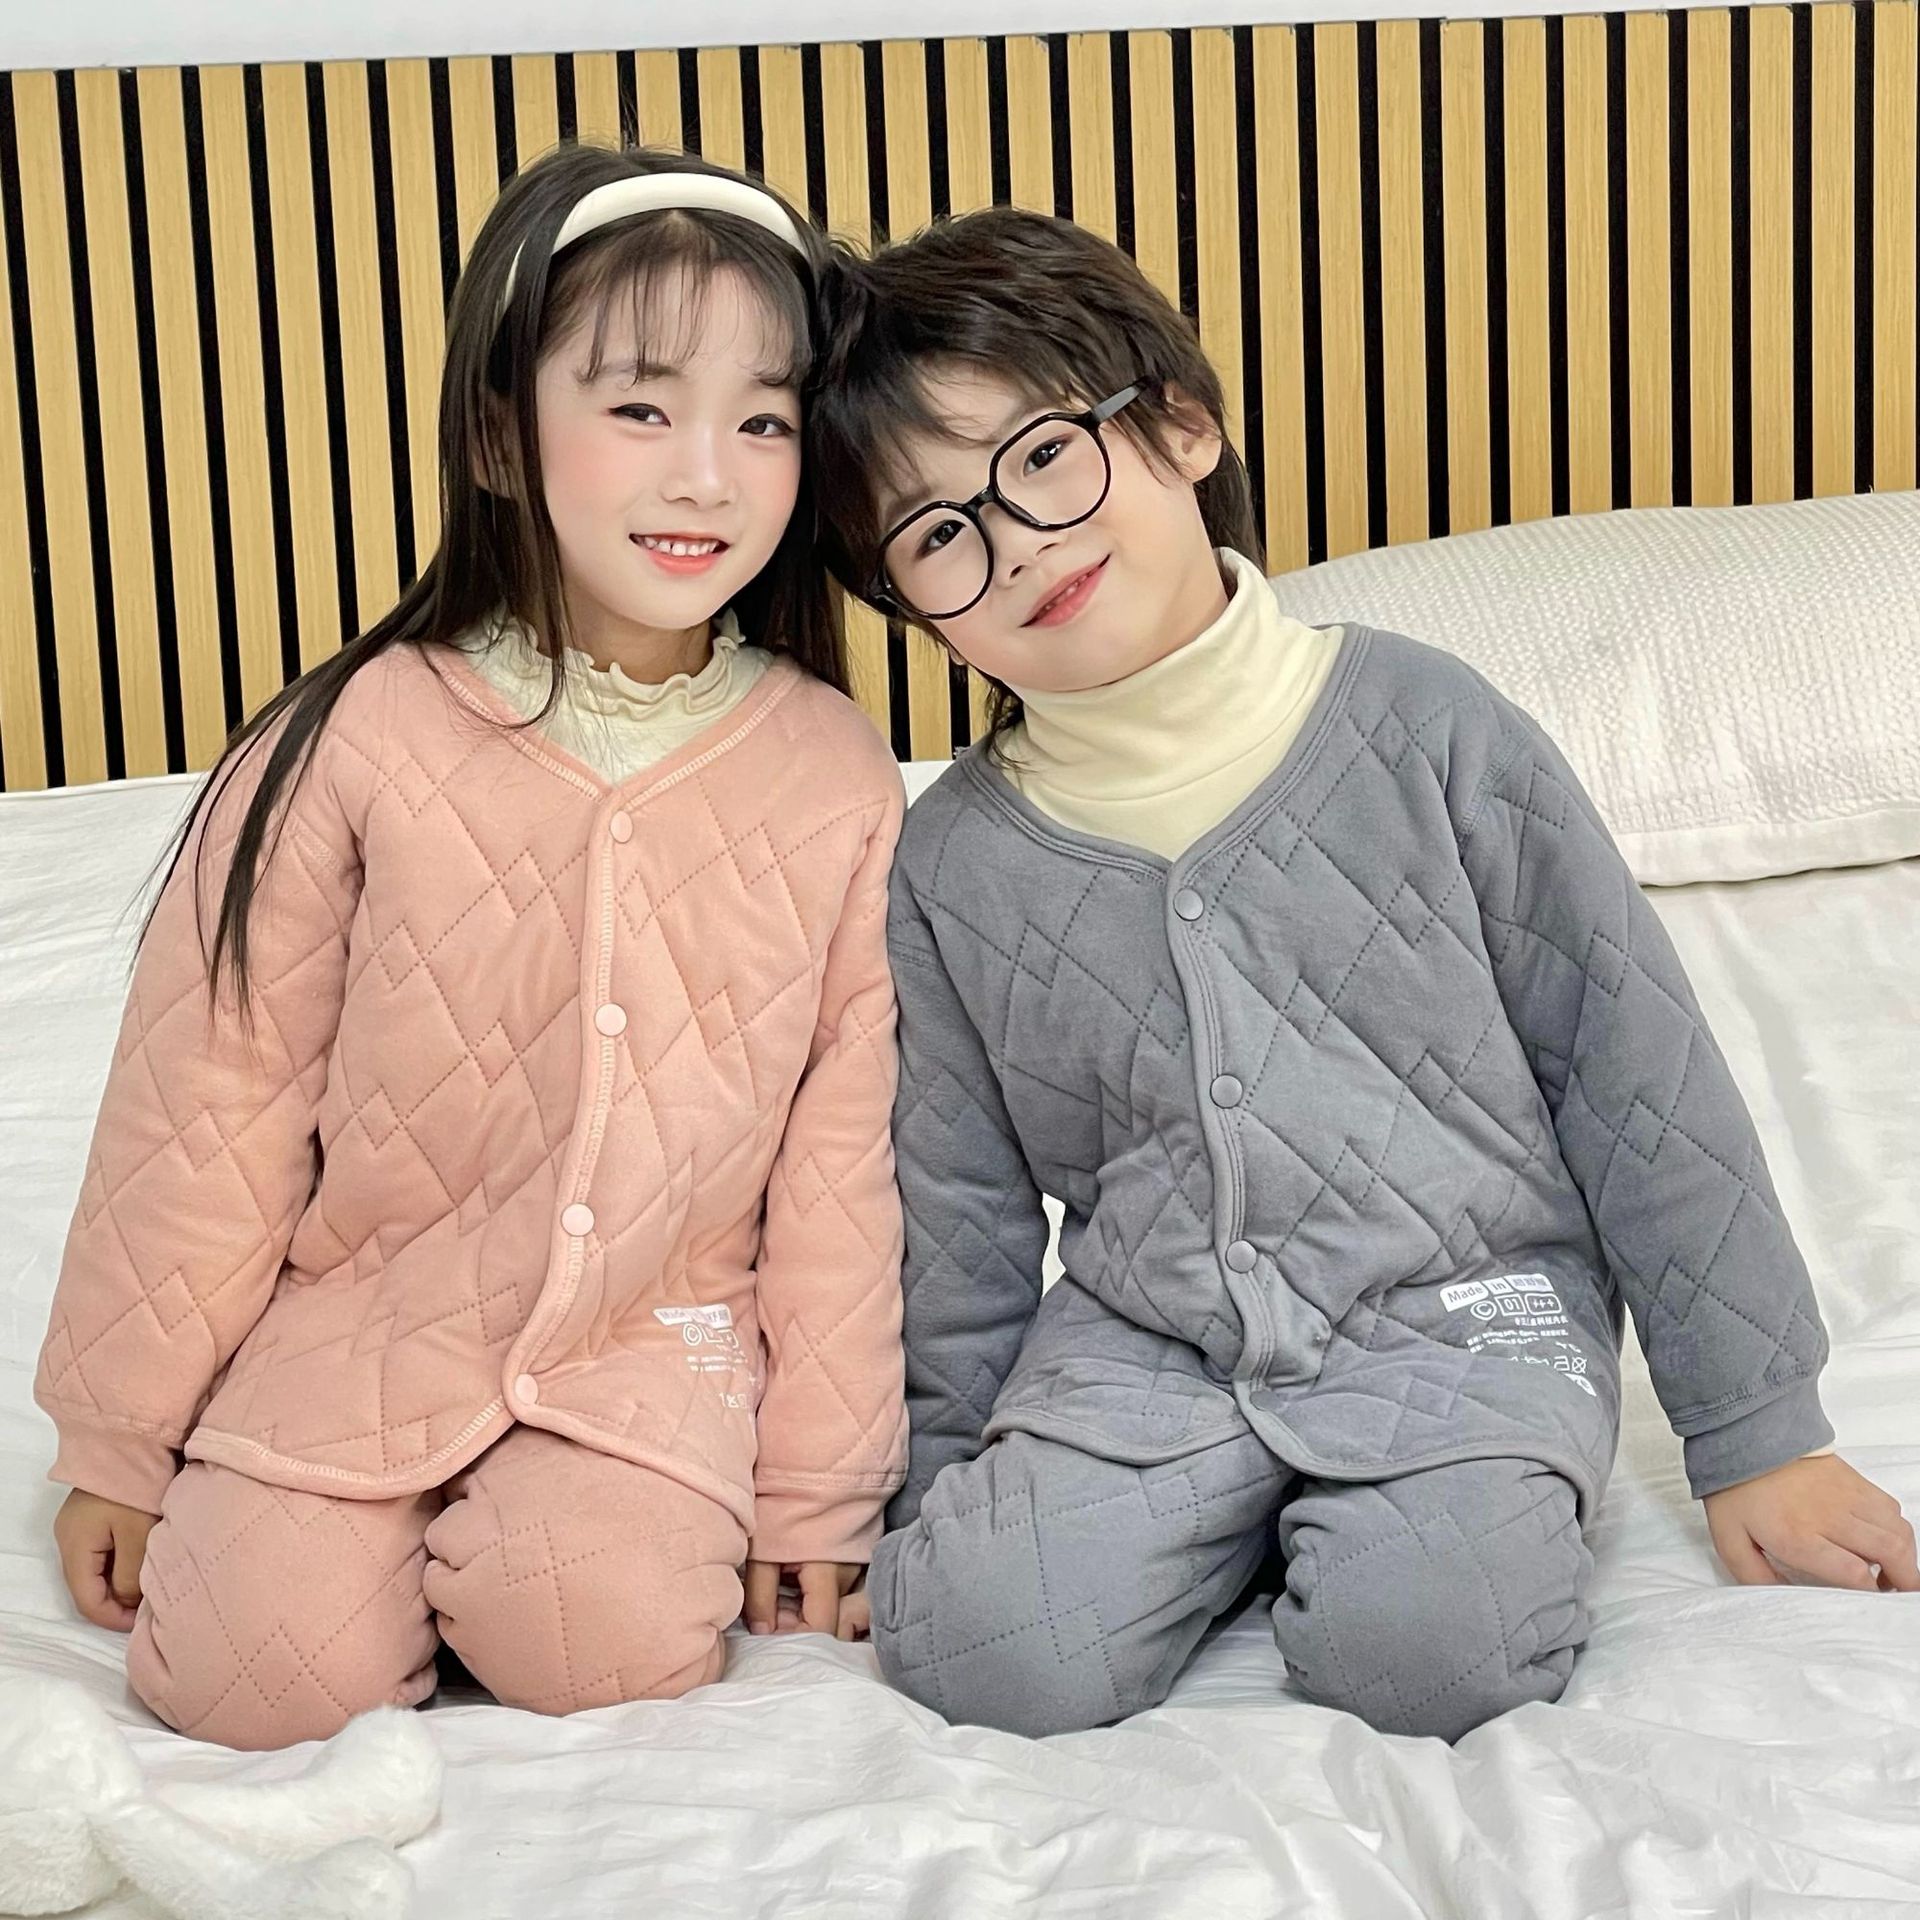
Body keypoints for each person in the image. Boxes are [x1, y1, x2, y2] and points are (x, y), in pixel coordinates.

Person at [805, 208, 1918, 1743]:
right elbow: (960, 1216)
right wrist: (939, 1481)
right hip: (1147, 1346)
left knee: (1426, 1658)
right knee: (983, 1653)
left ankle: (1370, 1519)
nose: (1018, 546)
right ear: (908, 609)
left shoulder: (1430, 726)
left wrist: (1758, 1432)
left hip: (1466, 1316)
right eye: (940, 535)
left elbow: (1635, 1075)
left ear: (1181, 426)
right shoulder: (953, 862)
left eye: (1046, 457)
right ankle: (1213, 1520)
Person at [37, 143, 907, 1750]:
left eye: (765, 421)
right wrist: (121, 1436)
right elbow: (211, 1099)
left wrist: (818, 1487)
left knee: (597, 1635)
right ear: (503, 438)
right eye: (638, 407)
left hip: (653, 1349)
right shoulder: (356, 734)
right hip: (363, 1323)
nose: (707, 477)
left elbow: (840, 1165)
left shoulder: (838, 776)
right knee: (245, 1681)